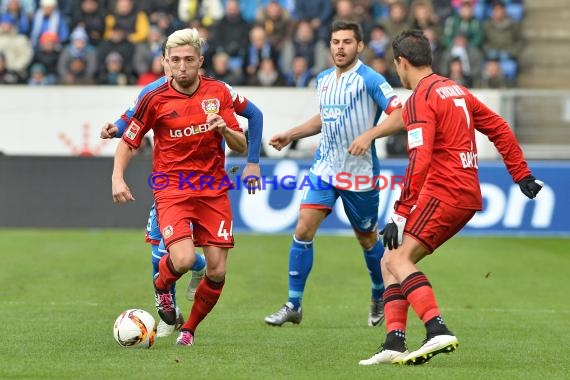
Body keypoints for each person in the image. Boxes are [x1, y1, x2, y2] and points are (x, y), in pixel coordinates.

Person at [359, 29, 544, 366]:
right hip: (465, 191)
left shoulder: (419, 98)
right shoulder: (454, 88)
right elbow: (499, 126)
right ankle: (394, 342)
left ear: (402, 62)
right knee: (391, 260)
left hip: (444, 190)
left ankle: (436, 328)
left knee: (399, 260)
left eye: (395, 66)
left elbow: (421, 157)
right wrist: (521, 174)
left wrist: (400, 212)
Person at [103, 37, 263, 338]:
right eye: (175, 60)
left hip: (213, 189)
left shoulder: (217, 93)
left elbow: (240, 144)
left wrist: (225, 129)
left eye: (189, 59)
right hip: (172, 189)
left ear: (200, 61)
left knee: (217, 271)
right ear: (166, 61)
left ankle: (188, 329)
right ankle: (162, 286)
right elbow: (129, 140)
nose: (182, 66)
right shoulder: (154, 97)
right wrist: (117, 176)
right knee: (184, 259)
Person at [265, 20, 404, 328]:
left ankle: (380, 291)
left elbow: (400, 115)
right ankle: (294, 303)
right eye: (335, 42)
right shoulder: (325, 79)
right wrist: (292, 133)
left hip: (360, 175)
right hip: (324, 169)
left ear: (360, 46)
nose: (340, 47)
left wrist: (370, 135)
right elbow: (326, 117)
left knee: (367, 238)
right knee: (303, 229)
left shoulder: (371, 79)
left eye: (346, 42)